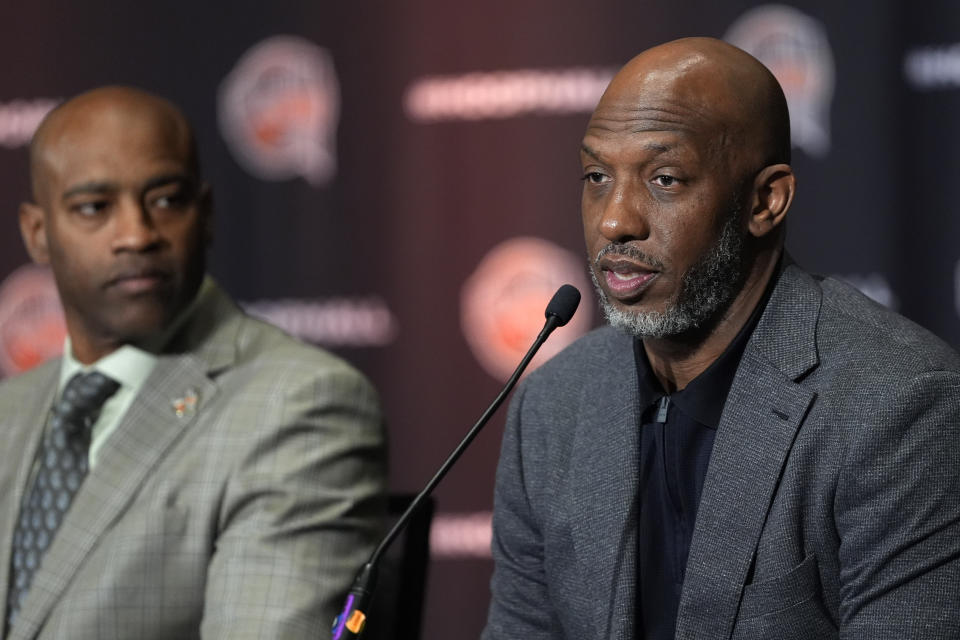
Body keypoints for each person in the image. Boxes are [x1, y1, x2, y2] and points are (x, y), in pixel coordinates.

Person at [483, 37, 960, 639]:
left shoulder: (899, 406)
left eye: (664, 179)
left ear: (766, 200)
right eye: (597, 175)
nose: (614, 220)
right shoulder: (553, 407)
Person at [0, 86, 387, 640]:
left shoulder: (302, 405)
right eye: (95, 208)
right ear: (38, 234)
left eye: (166, 199)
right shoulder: (8, 412)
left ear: (204, 214)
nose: (136, 234)